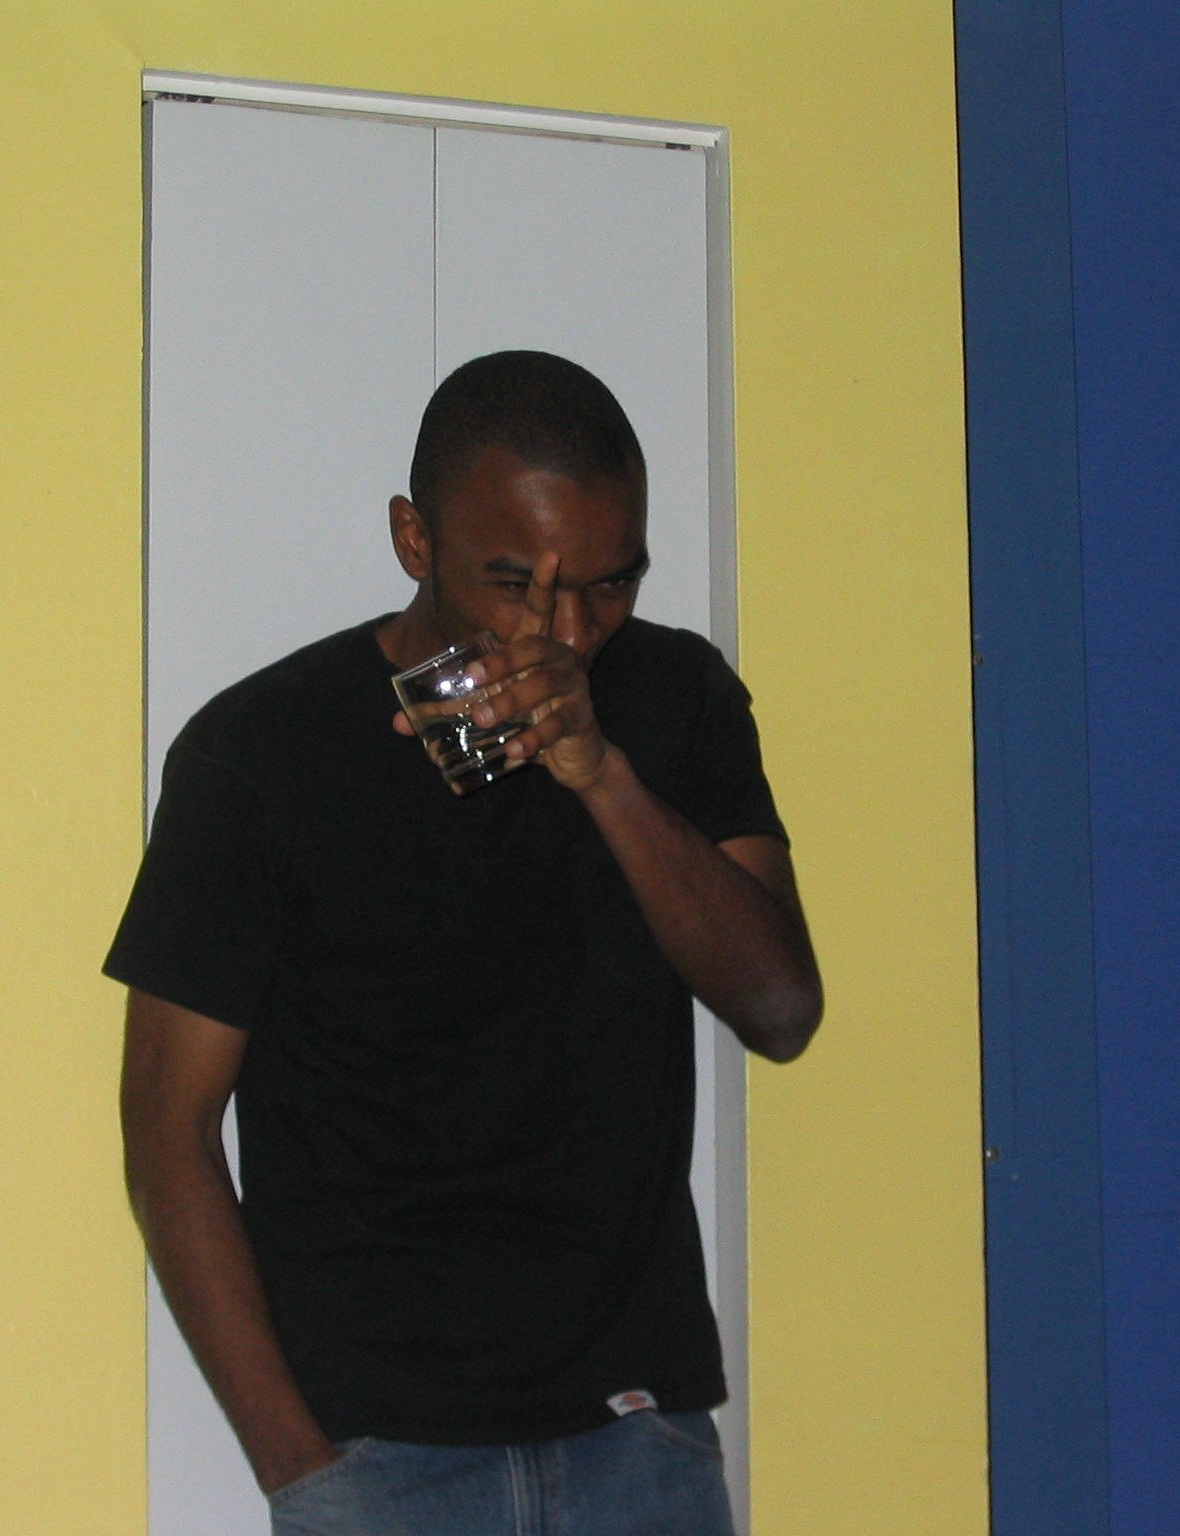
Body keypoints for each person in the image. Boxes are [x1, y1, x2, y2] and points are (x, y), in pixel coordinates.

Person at [108, 350, 822, 1535]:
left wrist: (601, 774)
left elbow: (780, 1009)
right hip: (376, 1458)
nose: (569, 629)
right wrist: (300, 1465)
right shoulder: (261, 753)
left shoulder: (673, 698)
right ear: (413, 539)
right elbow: (167, 1130)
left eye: (610, 583)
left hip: (636, 1435)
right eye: (516, 582)